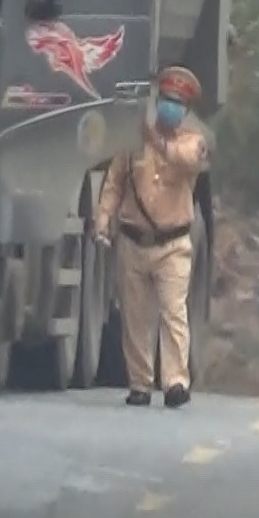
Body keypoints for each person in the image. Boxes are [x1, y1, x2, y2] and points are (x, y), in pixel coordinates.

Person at [94, 65, 209, 409]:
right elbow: (114, 184)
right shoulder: (131, 145)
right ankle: (140, 383)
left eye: (177, 103)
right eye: (166, 100)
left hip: (173, 245)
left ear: (186, 110)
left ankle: (175, 381)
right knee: (135, 317)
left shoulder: (193, 142)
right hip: (133, 240)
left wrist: (154, 140)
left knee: (173, 314)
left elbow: (186, 160)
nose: (169, 107)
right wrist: (102, 220)